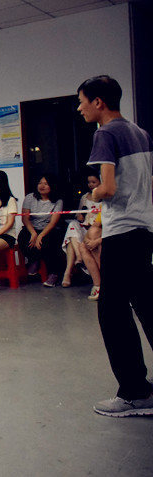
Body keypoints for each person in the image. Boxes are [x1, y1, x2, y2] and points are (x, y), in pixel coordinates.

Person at [77, 75, 153, 417]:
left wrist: (91, 195)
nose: (80, 108)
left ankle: (135, 393)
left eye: (82, 102)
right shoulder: (141, 133)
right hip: (145, 229)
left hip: (122, 232)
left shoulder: (104, 134)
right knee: (147, 304)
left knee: (112, 310)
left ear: (98, 102)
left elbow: (106, 188)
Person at [18, 173, 66, 287]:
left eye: (46, 184)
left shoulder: (58, 201)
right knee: (23, 237)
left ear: (52, 186)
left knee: (50, 243)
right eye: (40, 183)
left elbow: (53, 222)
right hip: (32, 227)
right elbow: (25, 218)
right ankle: (34, 260)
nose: (42, 186)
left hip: (49, 229)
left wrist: (40, 235)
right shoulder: (30, 197)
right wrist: (33, 233)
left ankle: (54, 274)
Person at [61, 172, 101, 288]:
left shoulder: (106, 199)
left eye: (94, 182)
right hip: (85, 227)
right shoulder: (85, 197)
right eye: (89, 182)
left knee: (71, 243)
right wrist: (80, 216)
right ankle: (78, 257)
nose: (91, 185)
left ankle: (68, 273)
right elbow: (79, 214)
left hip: (97, 232)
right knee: (72, 225)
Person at [80, 211, 102, 300]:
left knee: (94, 234)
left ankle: (106, 284)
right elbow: (95, 226)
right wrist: (87, 240)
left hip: (118, 236)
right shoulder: (103, 207)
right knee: (83, 246)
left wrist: (97, 241)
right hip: (103, 237)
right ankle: (98, 285)